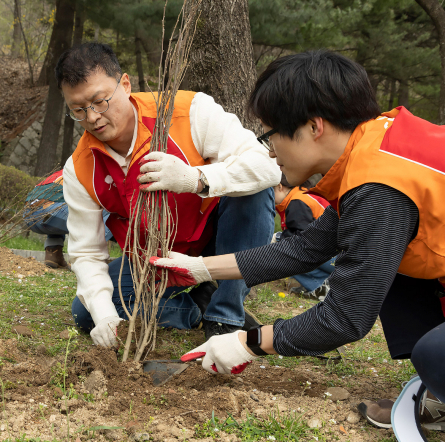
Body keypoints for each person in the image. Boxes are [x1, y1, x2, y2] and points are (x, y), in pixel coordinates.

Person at [150, 50, 445, 439]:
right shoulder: (375, 148)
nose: (270, 151)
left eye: (271, 135)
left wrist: (247, 343)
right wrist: (200, 268)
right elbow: (305, 249)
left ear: (313, 127)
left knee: (434, 355)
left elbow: (345, 318)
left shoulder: (378, 187)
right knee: (395, 267)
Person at [60, 42, 280, 347]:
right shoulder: (80, 167)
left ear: (125, 84)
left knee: (254, 193)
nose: (93, 117)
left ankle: (225, 317)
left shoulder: (189, 112)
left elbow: (266, 167)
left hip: (217, 242)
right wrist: (107, 318)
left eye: (100, 102)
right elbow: (86, 253)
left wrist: (196, 179)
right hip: (155, 262)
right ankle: (199, 306)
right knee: (86, 312)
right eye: (78, 110)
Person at [273, 174, 334, 299]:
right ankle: (324, 284)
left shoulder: (297, 201)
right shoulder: (303, 195)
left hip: (336, 257)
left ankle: (320, 287)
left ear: (279, 186)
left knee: (286, 250)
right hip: (339, 255)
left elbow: (302, 238)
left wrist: (277, 238)